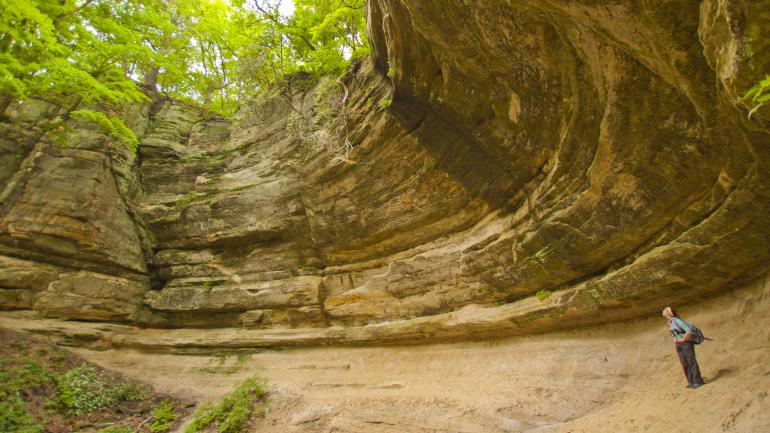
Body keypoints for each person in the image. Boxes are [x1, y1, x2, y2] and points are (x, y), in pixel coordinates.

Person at [662, 306, 705, 389]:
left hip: (686, 343)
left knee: (691, 361)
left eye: (665, 310)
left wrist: (683, 339)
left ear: (669, 313)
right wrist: (675, 340)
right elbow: (674, 333)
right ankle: (691, 381)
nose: (663, 311)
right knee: (684, 363)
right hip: (679, 345)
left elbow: (689, 331)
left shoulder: (677, 321)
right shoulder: (669, 322)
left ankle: (698, 380)